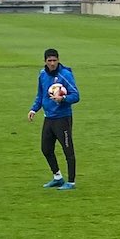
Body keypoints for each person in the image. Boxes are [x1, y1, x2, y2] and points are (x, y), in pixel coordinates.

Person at [28, 48, 80, 190]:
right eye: (49, 61)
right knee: (46, 149)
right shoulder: (43, 74)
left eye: (54, 60)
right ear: (45, 61)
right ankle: (57, 177)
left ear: (58, 60)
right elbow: (41, 95)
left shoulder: (65, 75)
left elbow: (76, 96)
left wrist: (62, 98)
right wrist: (34, 109)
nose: (52, 63)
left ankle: (71, 182)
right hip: (49, 118)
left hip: (63, 118)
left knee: (68, 150)